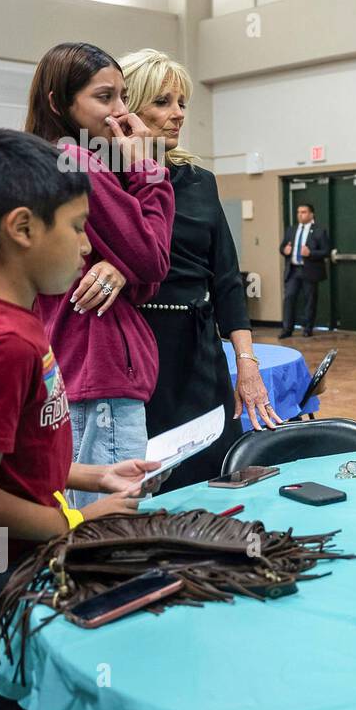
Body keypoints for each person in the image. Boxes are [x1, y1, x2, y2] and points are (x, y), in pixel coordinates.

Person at [0, 129, 159, 710]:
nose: (87, 249)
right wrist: (75, 517)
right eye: (76, 228)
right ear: (22, 229)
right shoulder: (0, 342)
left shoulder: (12, 320)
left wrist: (93, 476)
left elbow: (7, 453)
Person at [120, 49, 282, 490]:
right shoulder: (106, 181)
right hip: (136, 350)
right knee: (147, 483)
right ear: (129, 109)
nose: (177, 115)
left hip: (198, 350)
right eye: (162, 102)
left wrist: (245, 362)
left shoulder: (199, 180)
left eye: (182, 103)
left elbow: (226, 278)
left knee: (211, 470)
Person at [25, 42, 174, 508]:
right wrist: (146, 167)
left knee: (80, 509)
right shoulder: (79, 162)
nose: (119, 112)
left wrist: (123, 271)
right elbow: (152, 260)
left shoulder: (44, 158)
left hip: (75, 362)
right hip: (101, 365)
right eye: (104, 97)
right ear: (58, 102)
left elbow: (142, 274)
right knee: (111, 522)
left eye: (123, 97)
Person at [279, 203, 330, 338]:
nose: (300, 215)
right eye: (298, 212)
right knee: (289, 298)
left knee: (310, 300)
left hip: (310, 270)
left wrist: (310, 253)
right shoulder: (291, 229)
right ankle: (287, 329)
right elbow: (282, 247)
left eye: (304, 212)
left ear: (311, 214)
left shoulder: (319, 230)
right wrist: (285, 250)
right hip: (293, 270)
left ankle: (308, 329)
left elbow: (326, 251)